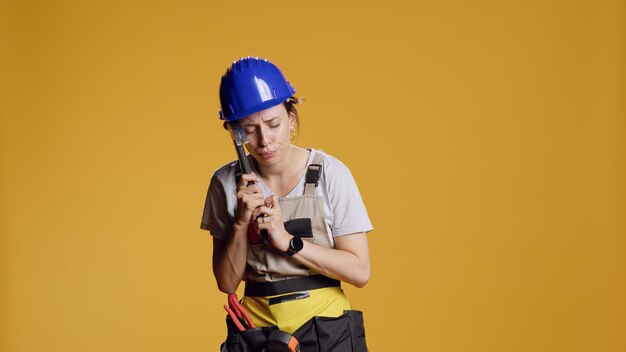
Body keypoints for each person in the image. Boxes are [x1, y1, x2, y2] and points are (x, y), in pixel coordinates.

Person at [201, 57, 372, 351]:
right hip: (258, 333)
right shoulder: (225, 183)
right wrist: (242, 222)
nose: (265, 140)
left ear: (291, 118)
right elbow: (227, 284)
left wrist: (288, 242)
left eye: (273, 124)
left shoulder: (331, 173)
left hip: (327, 331)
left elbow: (360, 272)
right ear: (235, 133)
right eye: (250, 129)